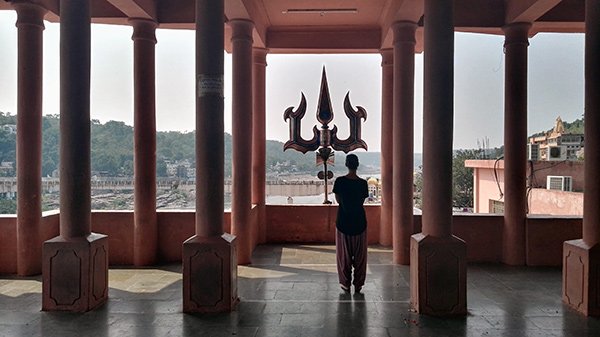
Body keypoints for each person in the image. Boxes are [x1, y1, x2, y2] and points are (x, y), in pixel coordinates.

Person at [332, 153, 369, 293]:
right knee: (360, 257)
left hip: (343, 221)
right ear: (357, 165)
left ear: (346, 165)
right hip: (359, 221)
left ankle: (345, 283)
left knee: (343, 256)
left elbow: (338, 200)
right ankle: (358, 284)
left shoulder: (340, 181)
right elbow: (361, 202)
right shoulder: (363, 183)